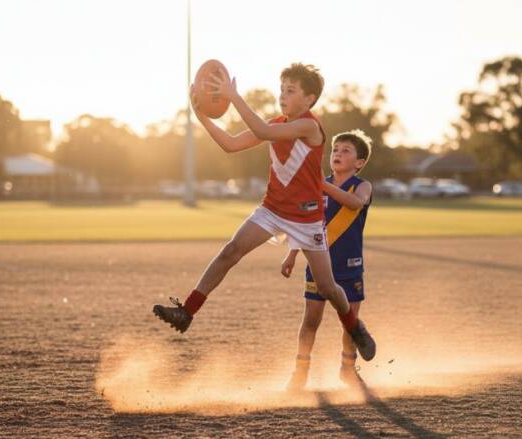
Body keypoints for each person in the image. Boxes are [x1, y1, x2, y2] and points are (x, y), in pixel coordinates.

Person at [152, 63, 376, 361]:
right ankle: (187, 312)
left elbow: (263, 131)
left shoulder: (310, 126)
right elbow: (231, 145)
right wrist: (201, 115)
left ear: (309, 99)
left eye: (291, 91)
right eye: (281, 89)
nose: (282, 95)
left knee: (327, 287)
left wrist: (233, 96)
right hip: (272, 209)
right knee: (231, 251)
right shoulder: (275, 122)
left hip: (307, 218)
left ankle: (353, 325)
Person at [281, 130, 374, 390]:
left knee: (350, 320)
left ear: (359, 162)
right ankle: (300, 370)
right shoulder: (317, 186)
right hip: (318, 265)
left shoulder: (362, 185)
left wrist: (322, 185)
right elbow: (306, 223)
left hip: (350, 265)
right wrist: (292, 253)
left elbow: (355, 203)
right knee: (311, 319)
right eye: (335, 150)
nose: (338, 154)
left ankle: (347, 369)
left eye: (346, 151)